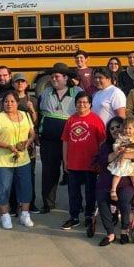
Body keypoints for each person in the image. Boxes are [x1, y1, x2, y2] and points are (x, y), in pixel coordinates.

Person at [95, 117, 134, 246]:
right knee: (101, 197)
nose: (115, 130)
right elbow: (103, 160)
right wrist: (117, 153)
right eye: (112, 128)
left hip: (129, 182)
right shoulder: (107, 146)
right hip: (108, 182)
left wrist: (126, 154)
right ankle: (110, 233)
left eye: (118, 126)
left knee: (124, 198)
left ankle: (124, 230)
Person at [0, 91, 37, 229]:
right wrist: (8, 146)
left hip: (23, 159)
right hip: (2, 161)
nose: (9, 104)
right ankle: (5, 216)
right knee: (2, 189)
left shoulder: (25, 115)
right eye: (6, 102)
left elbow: (32, 132)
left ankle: (25, 214)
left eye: (12, 101)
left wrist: (28, 141)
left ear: (17, 103)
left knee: (26, 187)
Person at [37, 63, 83, 214]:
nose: (53, 79)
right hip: (48, 142)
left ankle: (76, 204)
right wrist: (37, 133)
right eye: (52, 76)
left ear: (65, 77)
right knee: (49, 173)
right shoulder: (45, 93)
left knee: (72, 174)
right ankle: (48, 204)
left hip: (72, 142)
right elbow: (39, 114)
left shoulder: (77, 92)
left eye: (56, 76)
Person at [61, 92, 106, 231]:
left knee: (90, 192)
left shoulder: (95, 119)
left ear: (90, 104)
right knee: (73, 192)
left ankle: (89, 216)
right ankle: (74, 217)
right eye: (79, 102)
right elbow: (65, 142)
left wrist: (100, 161)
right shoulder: (71, 120)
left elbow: (102, 141)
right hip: (74, 163)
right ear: (75, 104)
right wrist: (65, 161)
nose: (82, 105)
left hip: (90, 164)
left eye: (85, 102)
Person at [9, 73, 39, 214]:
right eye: (17, 82)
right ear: (13, 84)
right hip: (11, 141)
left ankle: (30, 202)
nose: (20, 84)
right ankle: (14, 204)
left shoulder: (32, 99)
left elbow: (35, 121)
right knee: (12, 173)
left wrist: (32, 109)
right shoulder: (9, 99)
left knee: (29, 174)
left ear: (27, 84)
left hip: (28, 142)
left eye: (22, 82)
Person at [108, 118, 134, 204]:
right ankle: (113, 190)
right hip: (122, 160)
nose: (127, 131)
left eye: (130, 128)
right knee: (117, 174)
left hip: (132, 161)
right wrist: (118, 148)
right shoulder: (121, 138)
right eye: (125, 128)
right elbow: (115, 145)